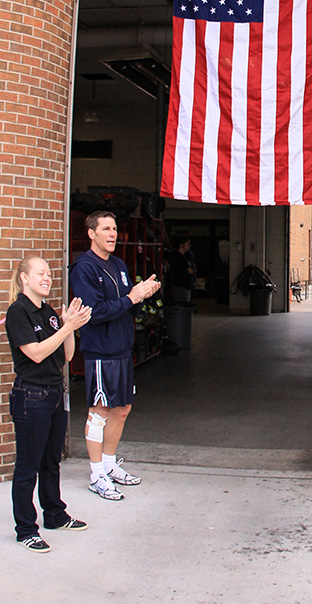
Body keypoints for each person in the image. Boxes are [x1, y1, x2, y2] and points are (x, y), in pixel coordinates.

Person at [69, 211, 161, 501]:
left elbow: (126, 307)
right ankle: (96, 474)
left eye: (115, 229)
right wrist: (131, 298)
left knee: (122, 409)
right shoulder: (83, 268)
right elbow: (94, 313)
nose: (113, 234)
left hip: (123, 350)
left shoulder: (120, 265)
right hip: (100, 352)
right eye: (106, 229)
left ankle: (109, 464)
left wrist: (140, 296)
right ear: (91, 234)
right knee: (100, 411)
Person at [5, 255, 92, 552]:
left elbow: (66, 356)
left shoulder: (49, 312)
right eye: (40, 273)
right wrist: (67, 328)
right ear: (24, 279)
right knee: (28, 467)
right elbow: (37, 353)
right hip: (31, 396)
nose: (47, 278)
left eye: (49, 274)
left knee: (50, 462)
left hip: (55, 394)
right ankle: (26, 528)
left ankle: (55, 514)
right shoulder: (19, 312)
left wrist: (70, 326)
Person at [169, 236, 196, 302]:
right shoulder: (176, 257)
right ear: (182, 245)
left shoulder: (186, 256)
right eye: (188, 244)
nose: (189, 246)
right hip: (179, 286)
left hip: (186, 286)